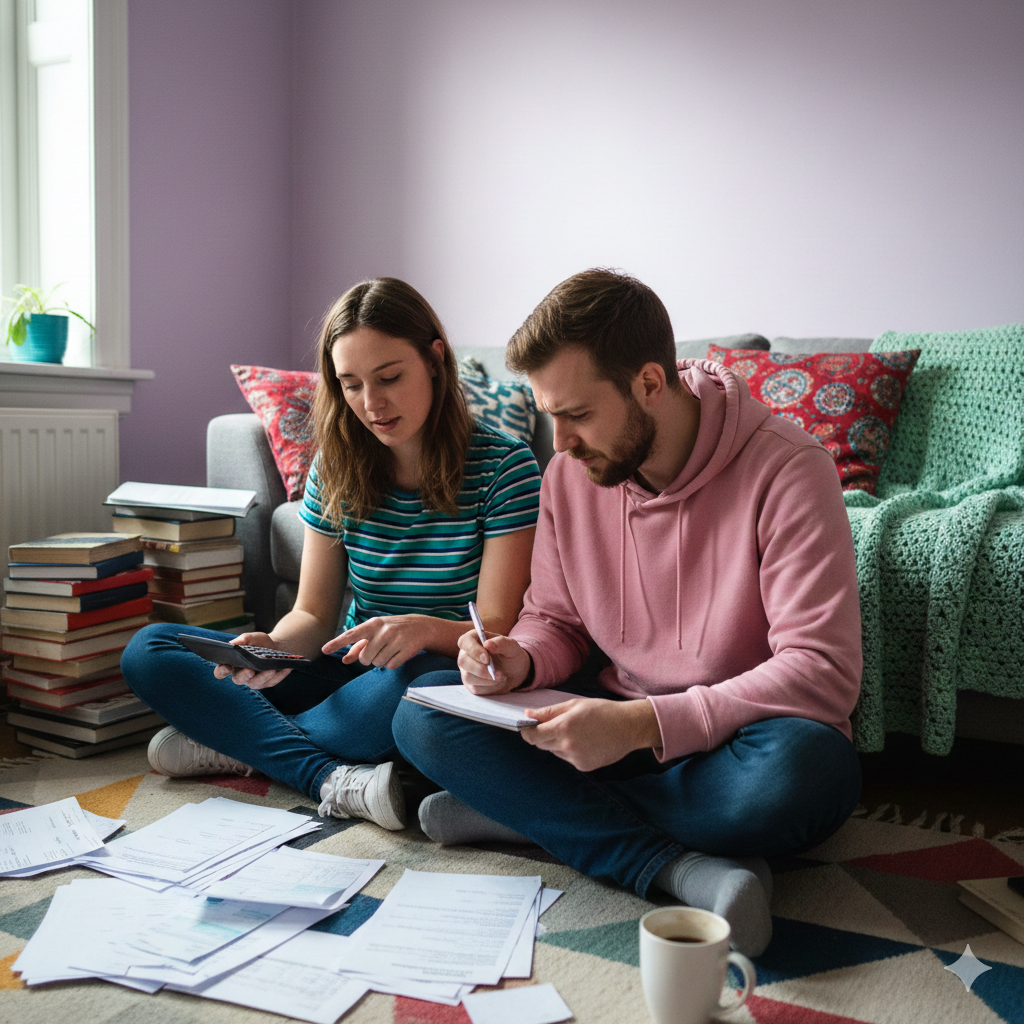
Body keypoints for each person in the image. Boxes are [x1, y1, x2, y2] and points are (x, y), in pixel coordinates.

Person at [393, 268, 863, 956]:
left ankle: (530, 815)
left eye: (577, 415)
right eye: (549, 414)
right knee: (422, 712)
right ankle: (681, 866)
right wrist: (515, 659)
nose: (559, 442)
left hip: (733, 743)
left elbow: (821, 672)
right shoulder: (568, 476)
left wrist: (642, 725)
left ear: (649, 382)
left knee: (808, 775)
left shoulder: (790, 470)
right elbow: (555, 620)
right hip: (604, 732)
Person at [122, 277, 540, 830]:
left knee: (424, 689)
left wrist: (420, 629)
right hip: (343, 674)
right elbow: (314, 615)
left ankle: (240, 742)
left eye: (390, 377)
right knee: (151, 648)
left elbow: (495, 625)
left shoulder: (505, 467)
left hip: (428, 672)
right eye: (351, 384)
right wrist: (271, 647)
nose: (373, 404)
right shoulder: (336, 467)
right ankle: (326, 776)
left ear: (435, 360)